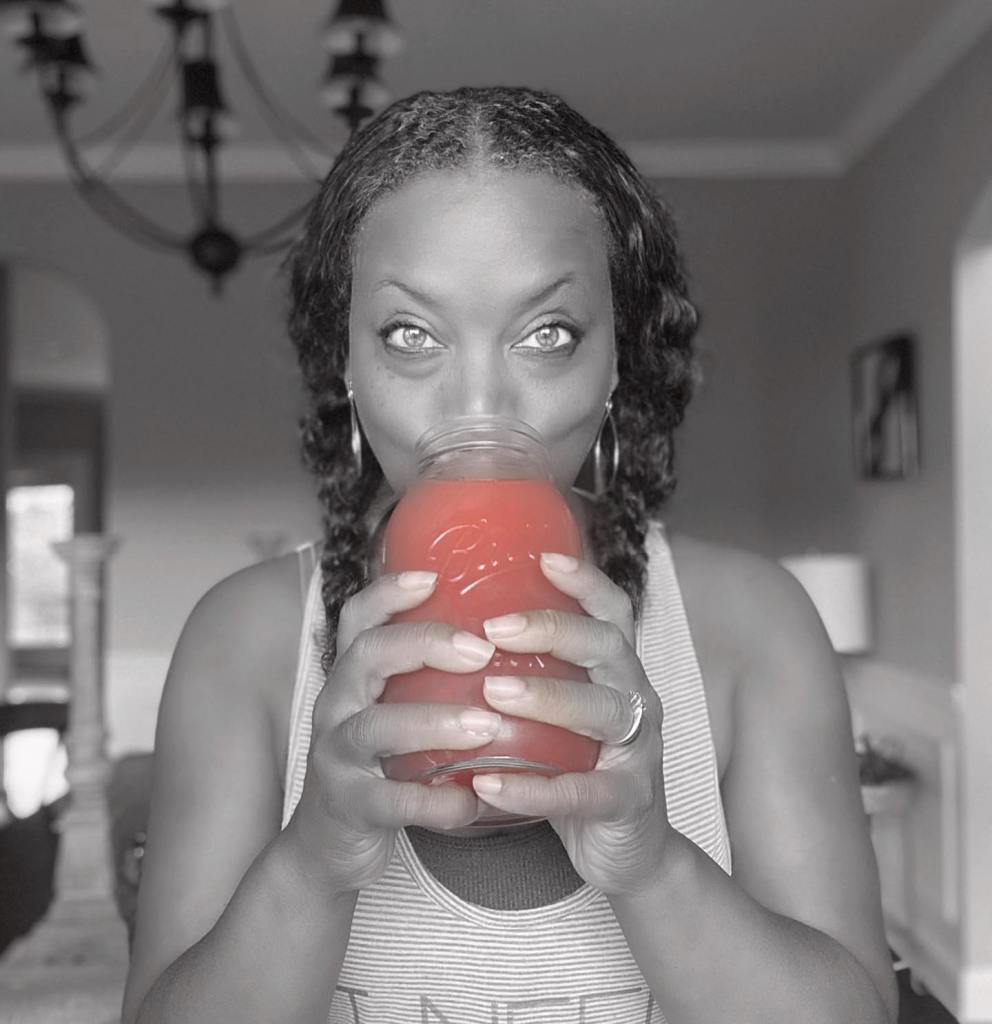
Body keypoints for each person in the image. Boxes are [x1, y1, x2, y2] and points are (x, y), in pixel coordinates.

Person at [121, 87, 898, 1024]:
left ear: (615, 360)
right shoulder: (243, 642)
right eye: (412, 336)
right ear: (346, 363)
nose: (479, 409)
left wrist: (652, 867)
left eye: (547, 335)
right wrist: (313, 862)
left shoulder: (751, 627)